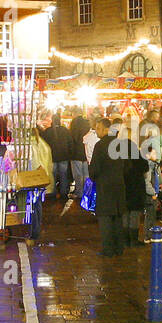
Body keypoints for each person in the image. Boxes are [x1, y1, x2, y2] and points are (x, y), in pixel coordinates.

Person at [88, 118, 128, 256]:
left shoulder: (100, 145)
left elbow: (94, 169)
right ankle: (119, 248)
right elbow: (127, 166)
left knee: (105, 218)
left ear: (106, 129)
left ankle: (108, 249)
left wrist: (94, 177)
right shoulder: (120, 144)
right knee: (117, 218)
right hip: (119, 185)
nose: (96, 131)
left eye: (98, 128)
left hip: (105, 186)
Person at [39, 112, 74, 201]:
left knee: (53, 175)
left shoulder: (47, 131)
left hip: (52, 158)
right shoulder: (65, 130)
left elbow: (44, 145)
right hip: (64, 156)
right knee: (63, 175)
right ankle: (64, 193)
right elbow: (70, 142)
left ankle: (53, 192)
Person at [68, 108, 92, 195]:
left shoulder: (74, 123)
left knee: (78, 175)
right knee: (86, 175)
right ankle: (87, 192)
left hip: (75, 153)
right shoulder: (87, 122)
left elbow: (72, 138)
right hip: (86, 151)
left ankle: (79, 192)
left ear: (75, 113)